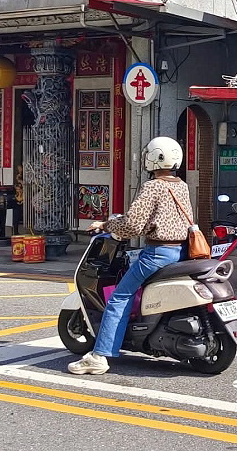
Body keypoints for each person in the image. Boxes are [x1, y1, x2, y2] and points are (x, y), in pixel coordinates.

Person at [68, 136, 191, 375]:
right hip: (181, 251)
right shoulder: (181, 185)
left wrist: (105, 225)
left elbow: (132, 225)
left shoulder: (152, 186)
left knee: (119, 298)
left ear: (154, 158)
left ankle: (100, 355)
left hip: (157, 253)